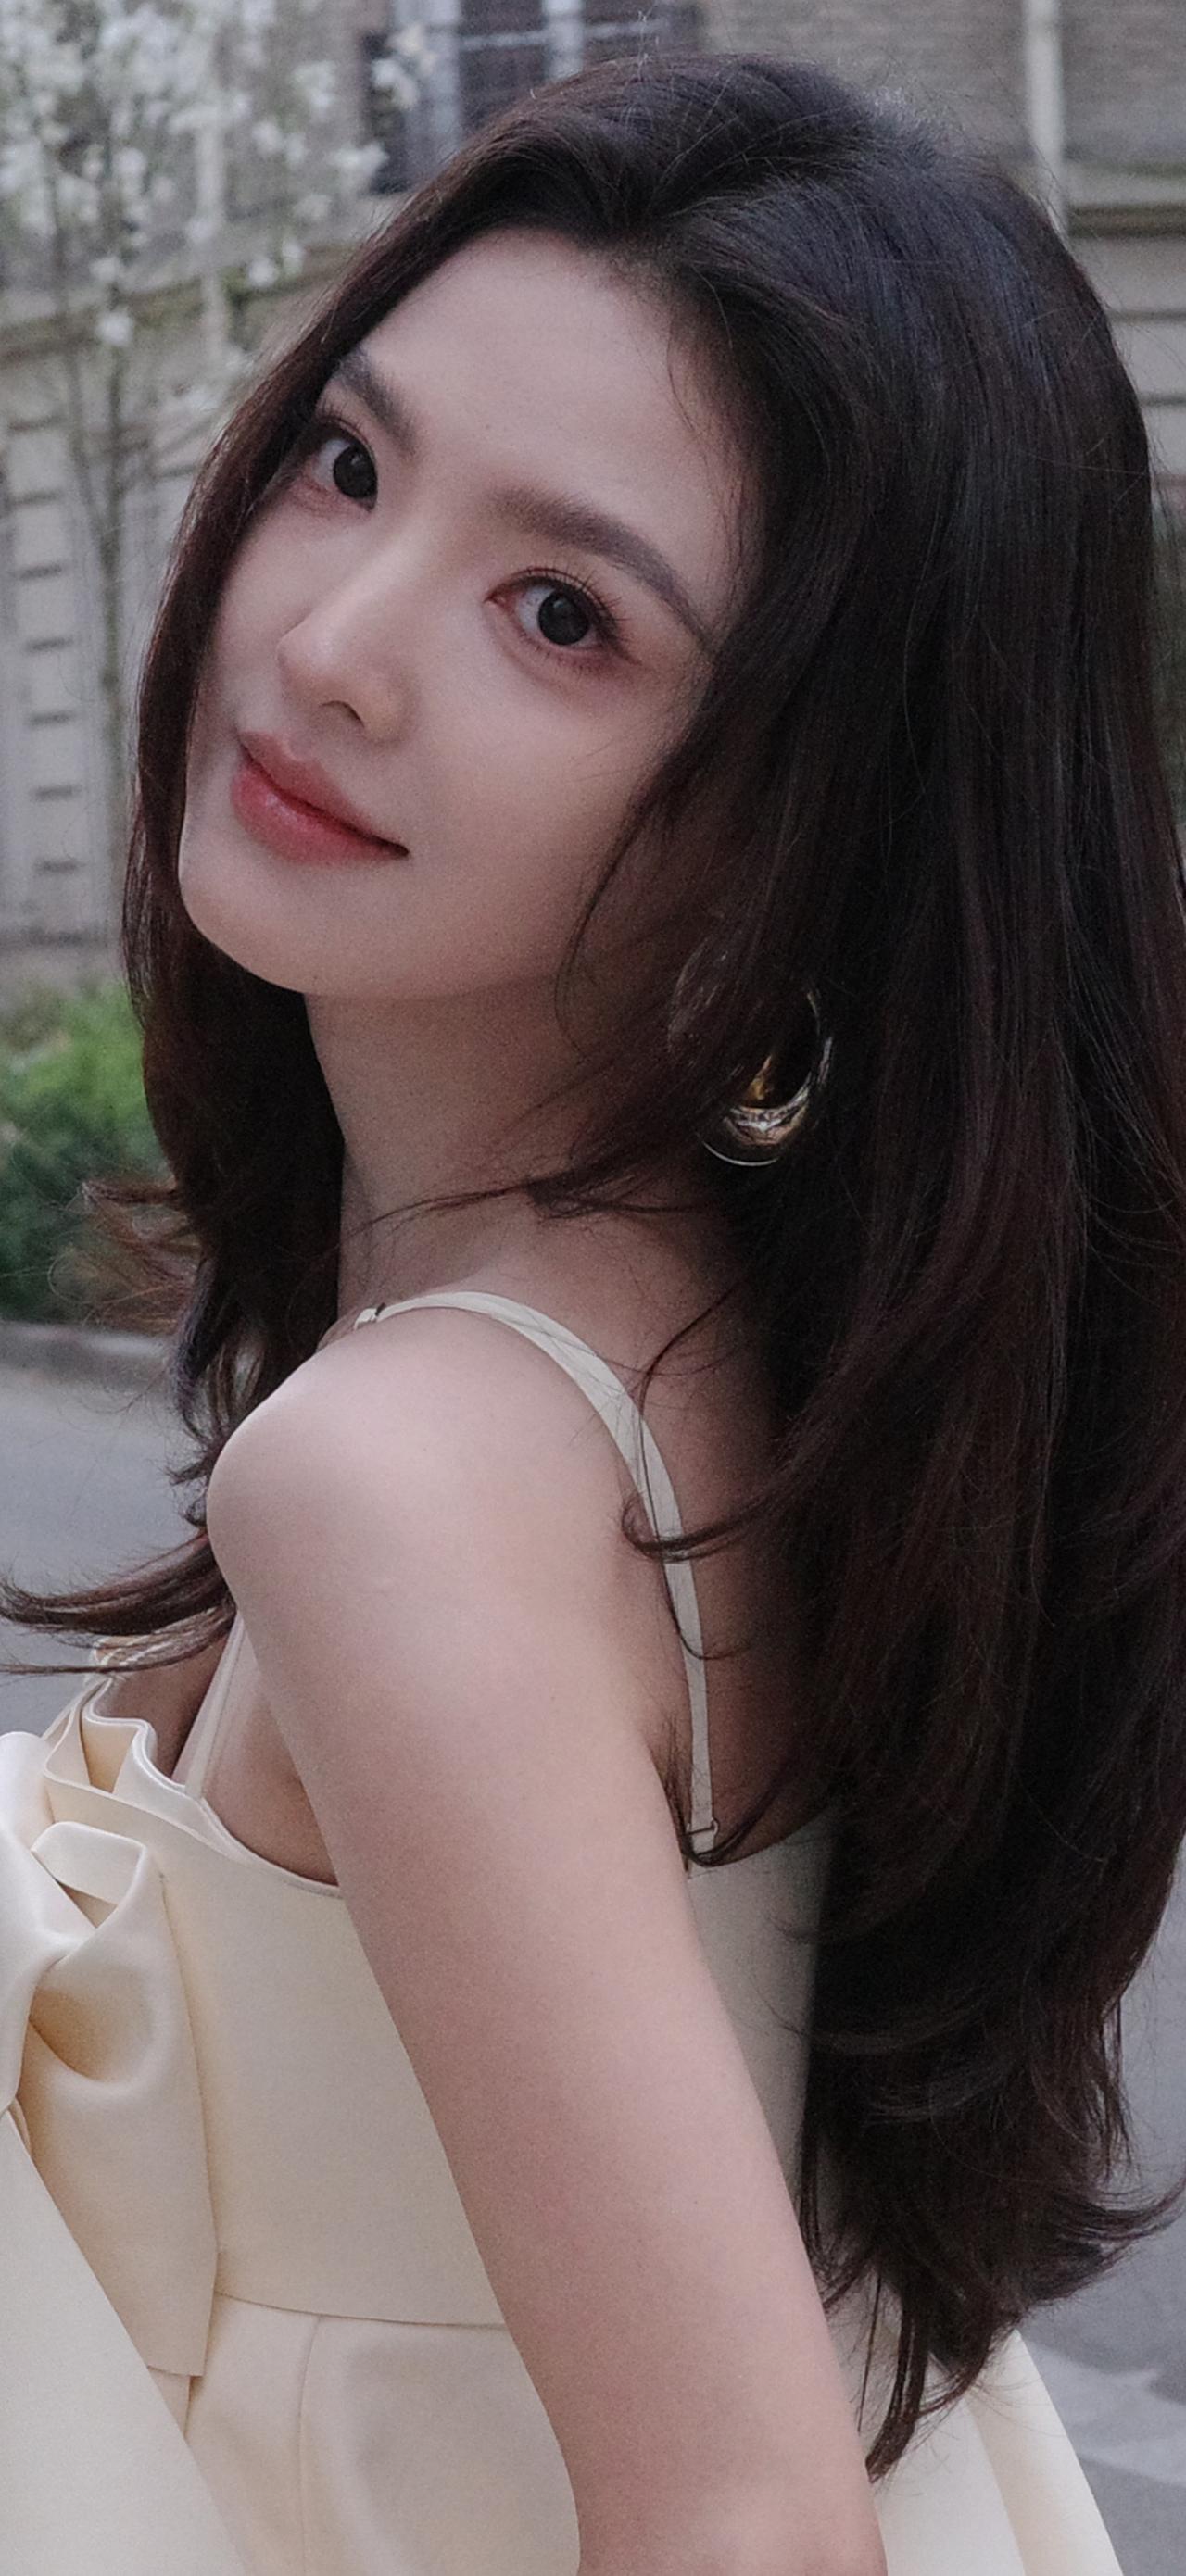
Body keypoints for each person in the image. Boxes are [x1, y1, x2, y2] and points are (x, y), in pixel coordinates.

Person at [1, 44, 1183, 2576]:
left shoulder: (418, 1475)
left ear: (816, 823)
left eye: (566, 616)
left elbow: (743, 2526)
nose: (333, 643)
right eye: (348, 462)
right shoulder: (747, 1353)